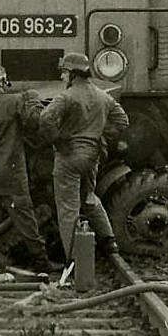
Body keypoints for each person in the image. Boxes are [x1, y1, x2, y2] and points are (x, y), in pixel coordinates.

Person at [40, 52, 129, 259]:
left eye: (64, 73)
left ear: (73, 74)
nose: (62, 78)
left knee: (68, 207)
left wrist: (58, 140)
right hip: (93, 157)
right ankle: (109, 241)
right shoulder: (103, 96)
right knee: (89, 197)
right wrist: (99, 134)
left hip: (69, 157)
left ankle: (74, 258)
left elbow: (45, 119)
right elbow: (123, 122)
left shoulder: (66, 96)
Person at [0, 65, 57, 273]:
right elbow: (34, 123)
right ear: (2, 82)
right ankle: (41, 261)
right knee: (25, 219)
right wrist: (33, 100)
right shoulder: (15, 101)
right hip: (12, 173)